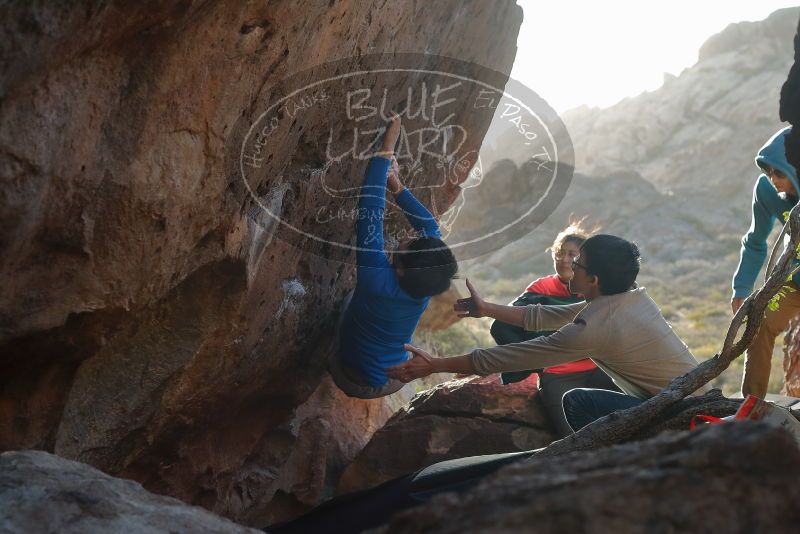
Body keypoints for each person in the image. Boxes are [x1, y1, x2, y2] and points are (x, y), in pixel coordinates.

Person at [387, 234, 707, 432]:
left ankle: (607, 465)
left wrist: (435, 365)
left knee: (577, 403)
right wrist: (488, 310)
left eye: (578, 263)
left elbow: (511, 356)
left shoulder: (595, 327)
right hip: (693, 399)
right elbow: (543, 316)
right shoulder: (630, 298)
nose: (572, 267)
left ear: (593, 279)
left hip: (679, 416)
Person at [330, 113, 458, 399]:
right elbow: (430, 228)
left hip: (351, 377)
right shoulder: (424, 282)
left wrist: (388, 145)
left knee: (349, 298)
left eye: (407, 245)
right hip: (390, 374)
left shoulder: (376, 279)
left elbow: (371, 210)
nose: (406, 238)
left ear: (400, 270)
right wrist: (396, 183)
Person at [490, 222, 619, 436]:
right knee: (571, 437)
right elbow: (503, 326)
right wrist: (535, 361)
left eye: (572, 255)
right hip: (559, 375)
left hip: (601, 367)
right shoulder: (540, 289)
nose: (564, 260)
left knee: (631, 419)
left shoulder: (597, 287)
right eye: (560, 253)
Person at [731, 126, 799, 399]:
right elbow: (755, 241)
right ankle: (751, 409)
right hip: (793, 278)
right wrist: (742, 287)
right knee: (758, 324)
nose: (772, 179)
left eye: (779, 173)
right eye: (768, 172)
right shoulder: (766, 191)